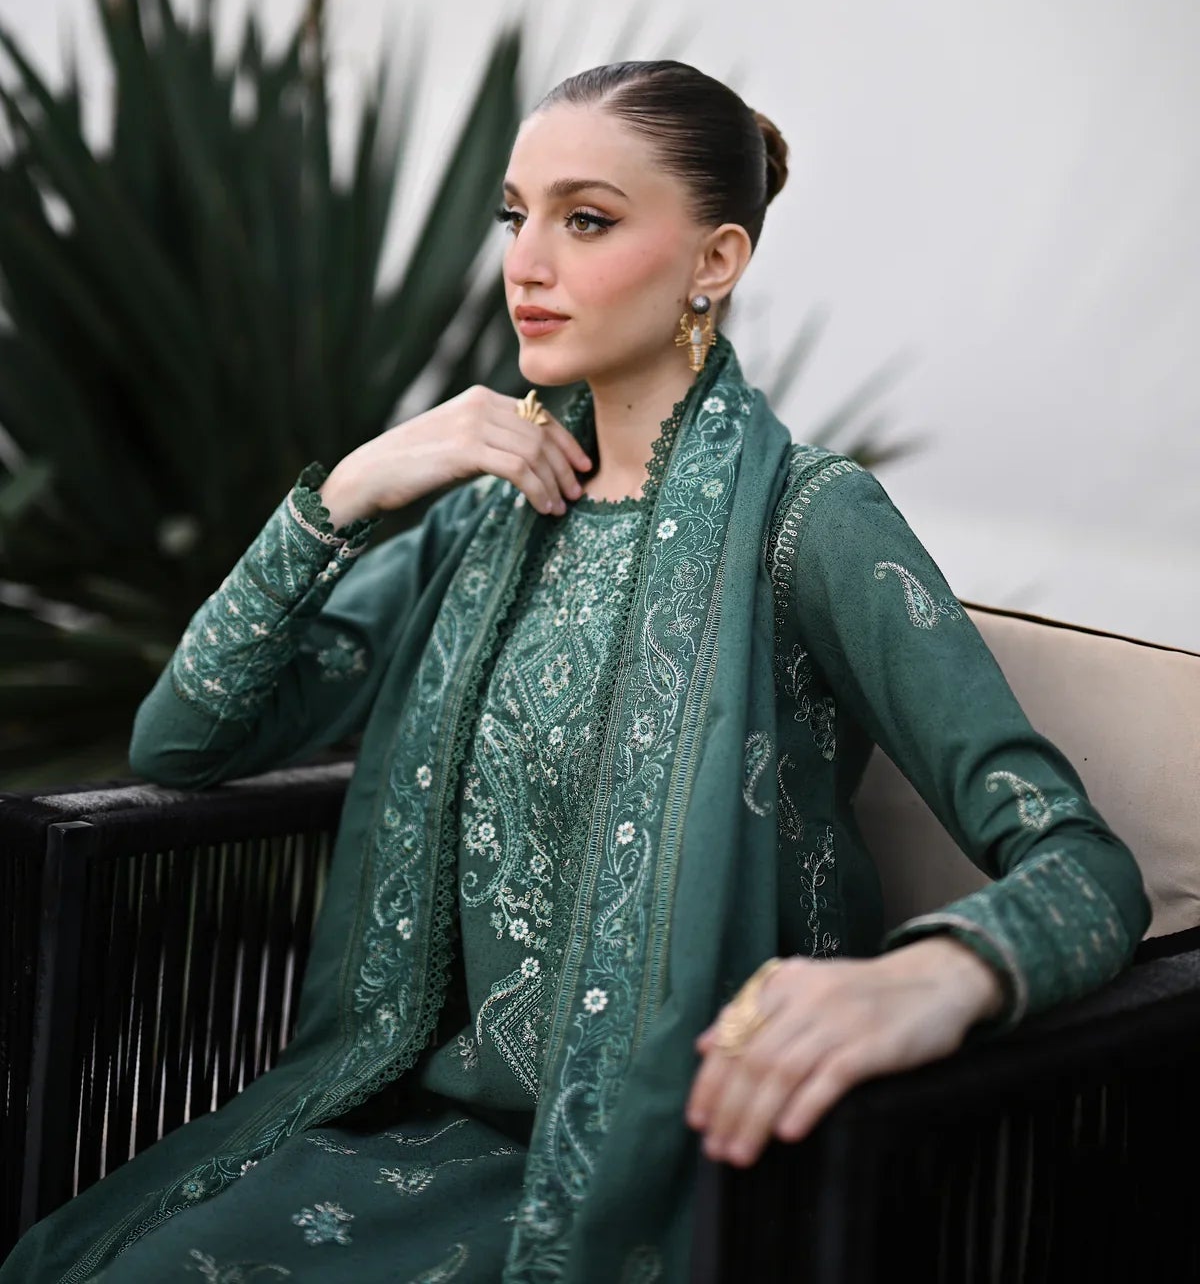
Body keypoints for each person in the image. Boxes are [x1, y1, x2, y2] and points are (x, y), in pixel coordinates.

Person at [2, 62, 1148, 1284]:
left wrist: (938, 976)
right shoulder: (488, 516)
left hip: (678, 1166)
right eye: (516, 215)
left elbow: (1081, 861)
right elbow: (182, 741)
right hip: (416, 1133)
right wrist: (351, 490)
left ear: (715, 261)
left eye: (586, 220)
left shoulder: (808, 523)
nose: (526, 264)